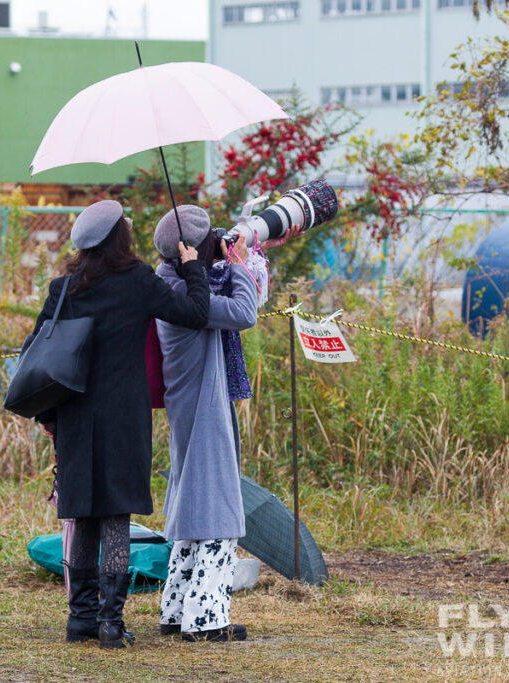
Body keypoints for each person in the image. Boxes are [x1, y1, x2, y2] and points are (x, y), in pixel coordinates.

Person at [31, 199, 210, 649]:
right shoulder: (138, 282)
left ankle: (80, 621)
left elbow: (38, 356)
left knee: (83, 515)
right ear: (120, 239)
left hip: (74, 414)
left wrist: (49, 417)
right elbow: (195, 313)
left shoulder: (62, 289)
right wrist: (191, 266)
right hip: (123, 416)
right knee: (115, 517)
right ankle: (111, 623)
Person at [152, 205, 297, 642]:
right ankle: (207, 620)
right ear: (192, 252)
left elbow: (232, 297)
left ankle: (177, 610)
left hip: (194, 401)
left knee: (195, 504)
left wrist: (249, 254)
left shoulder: (168, 282)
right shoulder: (186, 300)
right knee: (217, 511)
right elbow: (242, 312)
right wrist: (235, 263)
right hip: (203, 403)